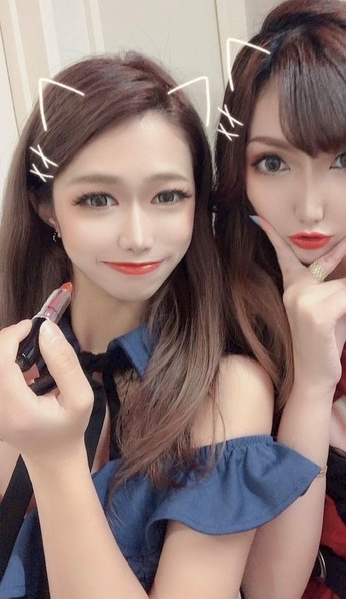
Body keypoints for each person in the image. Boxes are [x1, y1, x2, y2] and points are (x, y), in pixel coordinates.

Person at [0, 52, 321, 599]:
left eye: (168, 196)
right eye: (97, 199)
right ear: (46, 206)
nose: (138, 237)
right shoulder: (13, 364)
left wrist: (56, 463)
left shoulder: (225, 390)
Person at [214, 0, 346, 598]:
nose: (309, 207)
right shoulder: (224, 310)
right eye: (273, 162)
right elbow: (269, 588)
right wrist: (310, 383)